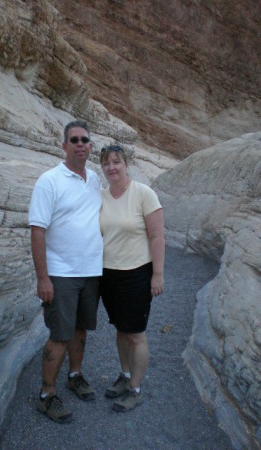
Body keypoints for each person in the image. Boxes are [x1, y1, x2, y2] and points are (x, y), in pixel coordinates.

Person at [28, 120, 103, 423]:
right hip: (61, 273)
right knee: (59, 334)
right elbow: (37, 229)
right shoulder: (50, 180)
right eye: (74, 140)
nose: (80, 144)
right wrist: (43, 277)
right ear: (64, 145)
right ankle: (47, 394)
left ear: (90, 146)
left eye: (85, 140)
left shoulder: (95, 179)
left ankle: (75, 375)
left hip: (90, 272)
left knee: (80, 328)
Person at [99, 144, 165, 412]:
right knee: (120, 328)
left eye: (116, 162)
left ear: (127, 164)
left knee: (136, 334)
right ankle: (125, 376)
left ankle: (135, 388)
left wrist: (158, 274)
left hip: (137, 273)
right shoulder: (101, 196)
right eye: (106, 163)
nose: (111, 167)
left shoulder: (143, 194)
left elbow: (157, 236)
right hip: (108, 273)